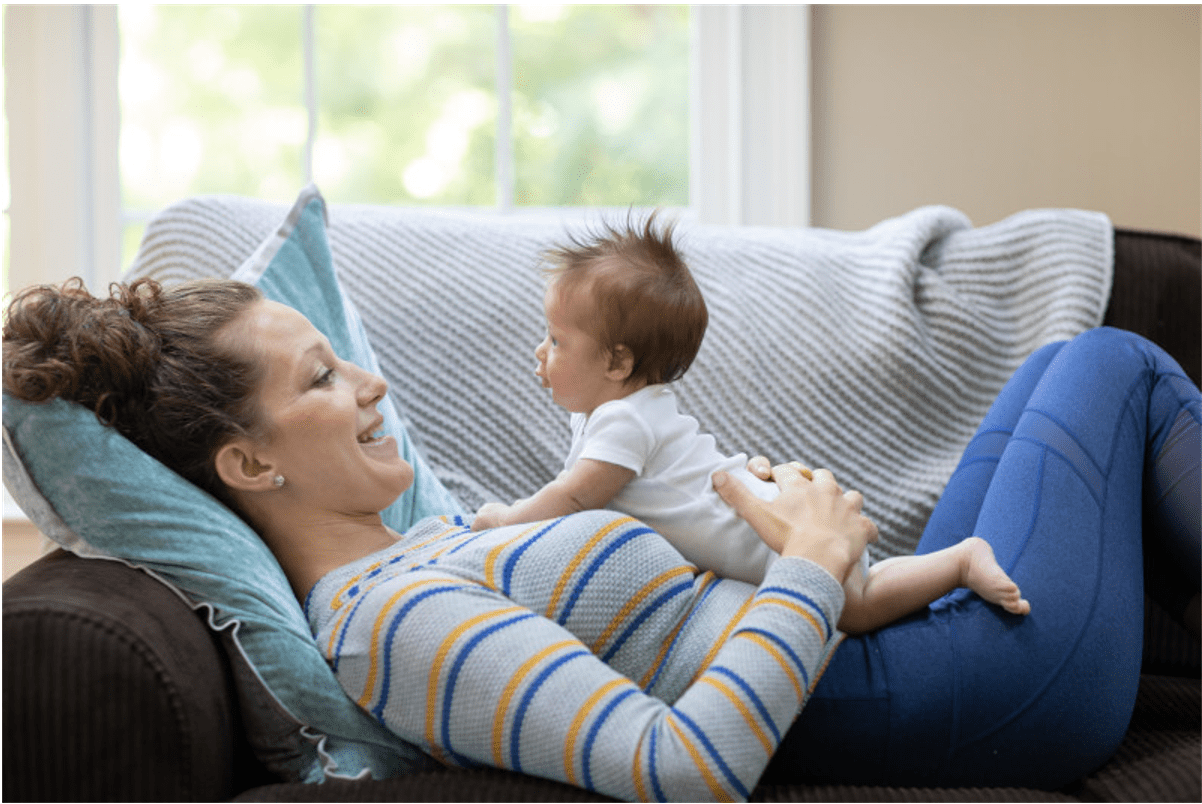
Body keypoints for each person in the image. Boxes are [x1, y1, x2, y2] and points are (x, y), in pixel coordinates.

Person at [3, 274, 1197, 797]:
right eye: (322, 377)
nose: (371, 383)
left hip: (919, 644)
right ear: (251, 463)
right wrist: (807, 564)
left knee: (1055, 361)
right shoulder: (387, 627)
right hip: (965, 695)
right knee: (1114, 367)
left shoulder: (426, 543)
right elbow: (680, 770)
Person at [471, 215, 1030, 633]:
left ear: (618, 363)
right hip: (769, 521)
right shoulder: (622, 412)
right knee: (866, 586)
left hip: (772, 539)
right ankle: (951, 561)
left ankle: (959, 562)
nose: (540, 351)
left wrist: (508, 521)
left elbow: (573, 498)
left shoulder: (624, 420)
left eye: (557, 340)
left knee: (856, 608)